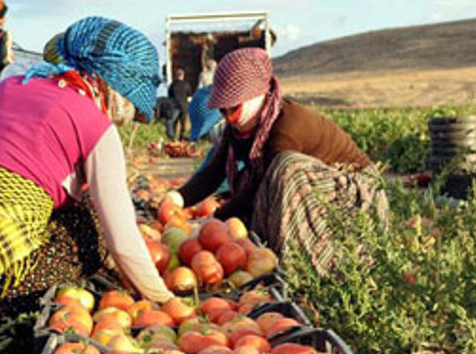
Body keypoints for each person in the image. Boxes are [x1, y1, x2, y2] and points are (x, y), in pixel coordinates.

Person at [0, 16, 176, 320]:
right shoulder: (95, 125)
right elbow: (121, 240)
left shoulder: (11, 86)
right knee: (93, 225)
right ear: (116, 88)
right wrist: (165, 302)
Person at [165, 47, 386, 273]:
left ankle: (311, 265)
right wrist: (177, 198)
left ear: (257, 97)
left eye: (234, 108)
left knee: (285, 167)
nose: (227, 116)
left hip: (352, 196)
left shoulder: (287, 125)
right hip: (317, 192)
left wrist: (213, 222)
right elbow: (213, 173)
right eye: (222, 110)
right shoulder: (240, 128)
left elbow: (258, 186)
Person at [167, 68, 192, 141]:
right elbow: (189, 97)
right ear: (183, 76)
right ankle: (181, 139)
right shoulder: (186, 85)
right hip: (184, 106)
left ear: (176, 76)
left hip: (175, 106)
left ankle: (173, 138)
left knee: (174, 122)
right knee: (183, 124)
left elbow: (169, 97)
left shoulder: (172, 85)